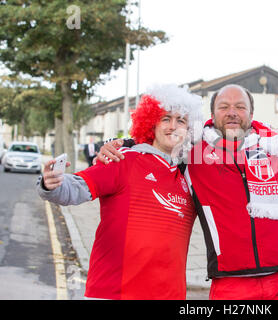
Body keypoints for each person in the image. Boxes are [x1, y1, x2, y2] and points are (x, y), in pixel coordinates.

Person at [98, 55, 278, 300]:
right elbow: (160, 141)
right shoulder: (192, 154)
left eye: (240, 107)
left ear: (251, 114)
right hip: (230, 285)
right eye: (224, 106)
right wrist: (119, 144)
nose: (232, 112)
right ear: (212, 114)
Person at [36, 84, 203, 300]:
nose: (173, 126)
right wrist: (53, 184)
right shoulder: (123, 160)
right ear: (151, 123)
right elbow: (78, 187)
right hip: (113, 292)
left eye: (181, 120)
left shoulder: (188, 178)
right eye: (165, 118)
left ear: (188, 130)